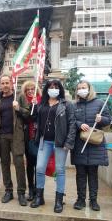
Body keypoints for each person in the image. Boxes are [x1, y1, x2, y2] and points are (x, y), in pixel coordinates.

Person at [30, 79, 76, 213]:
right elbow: (33, 119)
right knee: (39, 168)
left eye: (56, 86)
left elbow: (72, 124)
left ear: (60, 89)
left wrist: (69, 142)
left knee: (60, 170)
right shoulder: (41, 104)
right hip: (44, 141)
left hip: (60, 142)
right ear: (46, 89)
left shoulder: (66, 104)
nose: (53, 88)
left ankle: (58, 201)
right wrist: (33, 106)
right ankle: (39, 197)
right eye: (50, 86)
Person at [0, 75, 29, 206]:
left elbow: (28, 114)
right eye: (3, 83)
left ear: (11, 84)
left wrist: (19, 109)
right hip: (2, 137)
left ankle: (21, 192)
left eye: (7, 82)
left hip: (16, 136)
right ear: (0, 85)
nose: (5, 85)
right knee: (4, 164)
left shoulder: (19, 97)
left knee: (19, 164)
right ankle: (8, 191)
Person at [71, 80, 111, 211]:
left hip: (95, 145)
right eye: (79, 88)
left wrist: (101, 119)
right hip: (79, 144)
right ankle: (80, 199)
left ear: (89, 89)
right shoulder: (74, 105)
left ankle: (93, 200)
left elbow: (108, 120)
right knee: (80, 174)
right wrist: (78, 124)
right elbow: (71, 121)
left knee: (93, 174)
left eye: (84, 87)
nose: (81, 90)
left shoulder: (99, 103)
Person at [19, 80, 41, 201]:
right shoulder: (24, 102)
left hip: (39, 137)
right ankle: (31, 189)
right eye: (28, 90)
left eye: (32, 89)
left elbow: (40, 116)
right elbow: (27, 118)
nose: (30, 91)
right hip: (28, 137)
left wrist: (36, 105)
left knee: (39, 165)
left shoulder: (41, 100)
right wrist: (31, 106)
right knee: (30, 164)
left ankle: (38, 189)